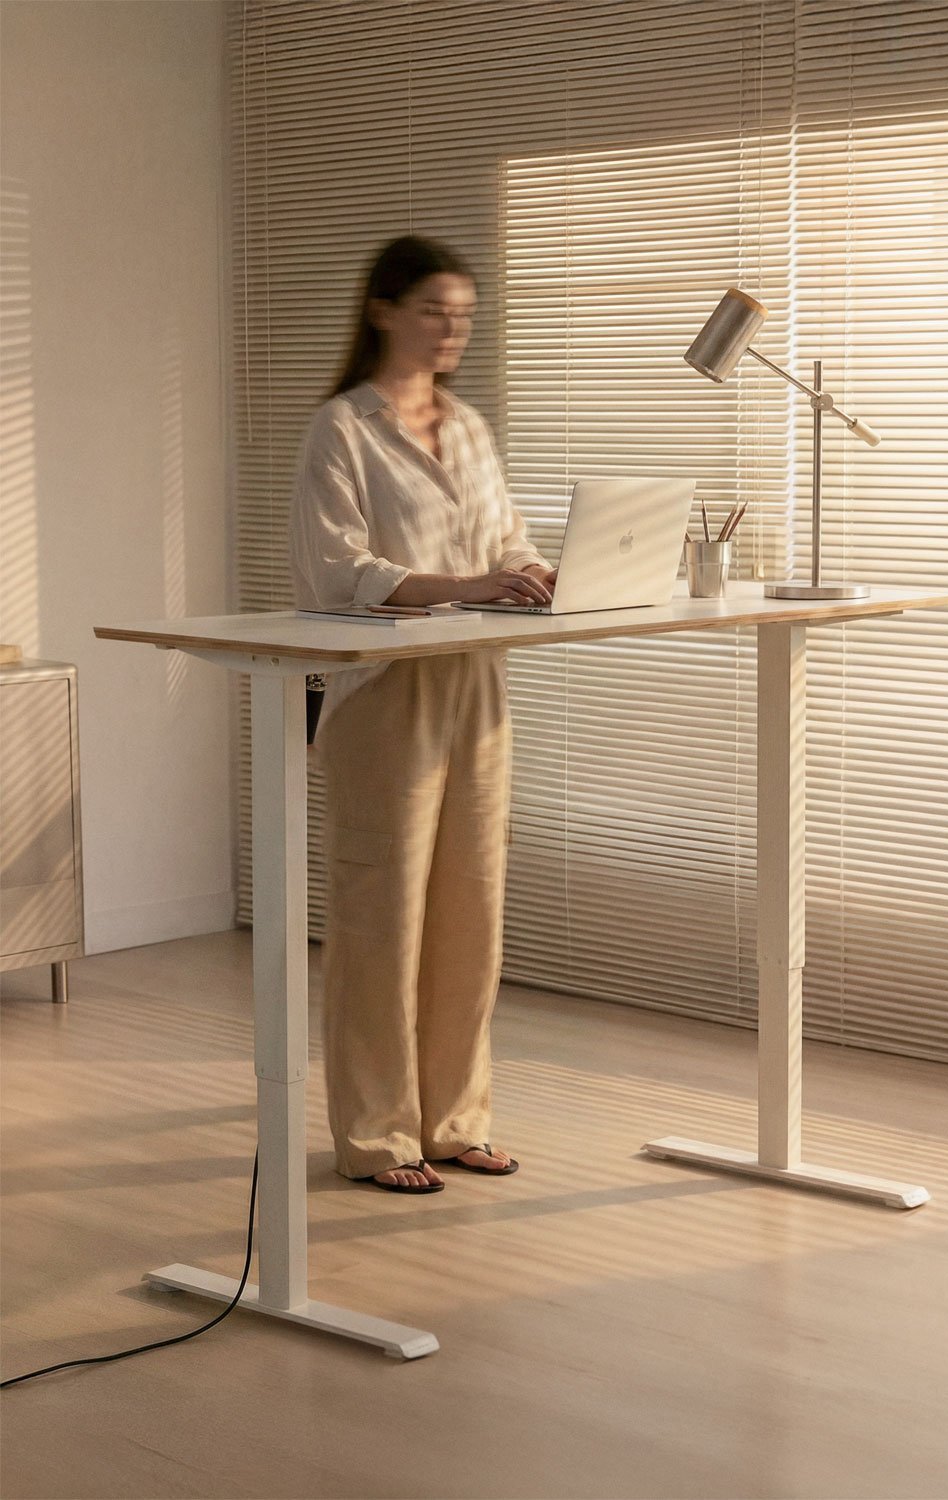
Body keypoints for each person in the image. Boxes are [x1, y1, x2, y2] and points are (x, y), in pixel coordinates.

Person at [289, 235, 556, 1194]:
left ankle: (455, 1121)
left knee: (470, 913)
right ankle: (375, 1136)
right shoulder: (344, 429)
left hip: (475, 679)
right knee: (381, 918)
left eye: (466, 315)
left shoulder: (472, 428)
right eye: (438, 310)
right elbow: (340, 571)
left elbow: (505, 537)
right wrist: (467, 581)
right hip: (382, 690)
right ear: (384, 310)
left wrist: (528, 570)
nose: (454, 330)